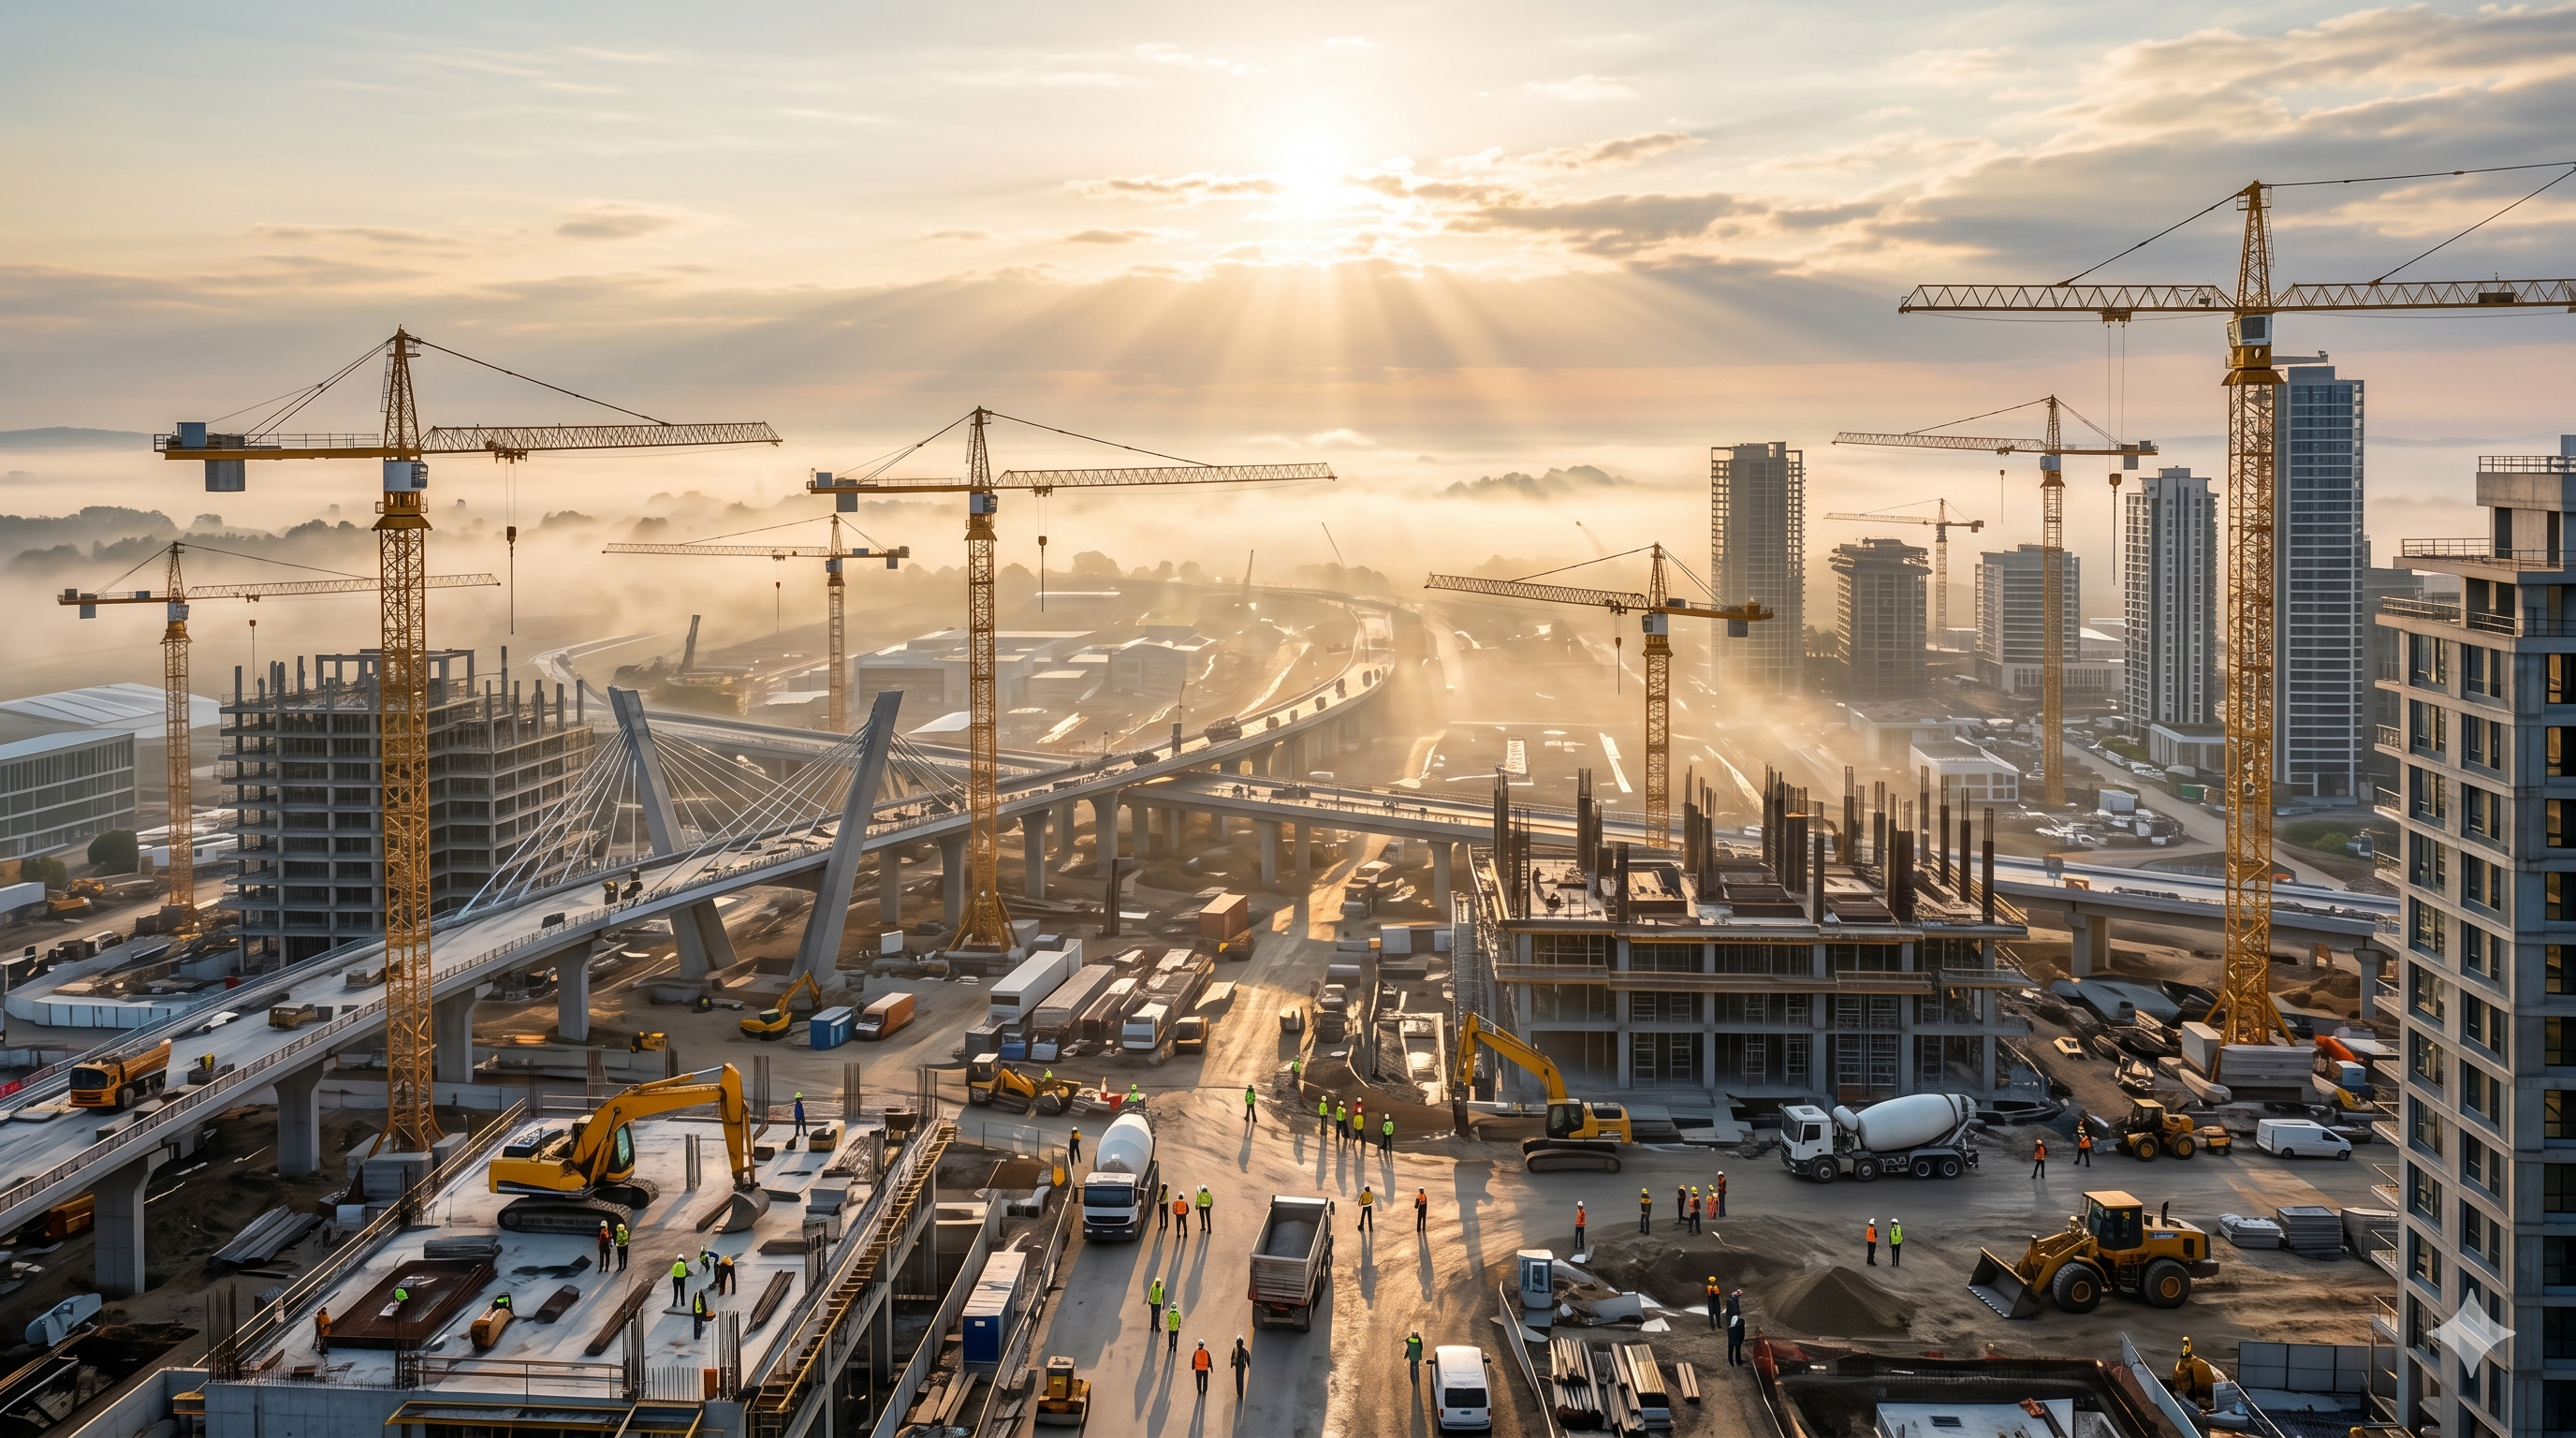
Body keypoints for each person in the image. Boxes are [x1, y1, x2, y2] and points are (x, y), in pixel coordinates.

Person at [1726, 1303, 1747, 1367]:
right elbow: (1742, 1332)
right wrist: (1742, 1339)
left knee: (1730, 1351)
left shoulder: (1728, 1321)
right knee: (1738, 1351)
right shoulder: (1741, 1321)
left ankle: (1731, 1361)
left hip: (1731, 1339)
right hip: (1738, 1339)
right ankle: (1739, 1361)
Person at [1232, 1335, 1251, 1399]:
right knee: (1240, 1379)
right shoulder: (1245, 1351)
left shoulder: (1235, 1349)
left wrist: (1232, 1364)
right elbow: (1248, 1358)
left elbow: (1232, 1357)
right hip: (1242, 1366)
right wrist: (1249, 1366)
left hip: (1239, 1366)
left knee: (1238, 1379)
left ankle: (1240, 1393)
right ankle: (1240, 1393)